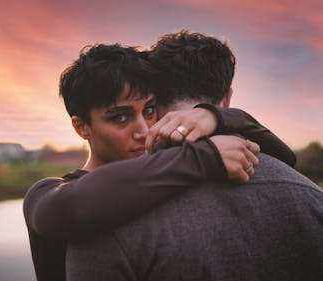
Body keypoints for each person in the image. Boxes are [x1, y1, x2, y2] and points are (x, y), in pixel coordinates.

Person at [23, 43, 295, 281]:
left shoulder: (164, 173)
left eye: (150, 110)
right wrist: (205, 156)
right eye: (120, 117)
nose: (144, 129)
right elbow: (74, 207)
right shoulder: (45, 194)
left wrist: (217, 117)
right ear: (82, 127)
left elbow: (286, 160)